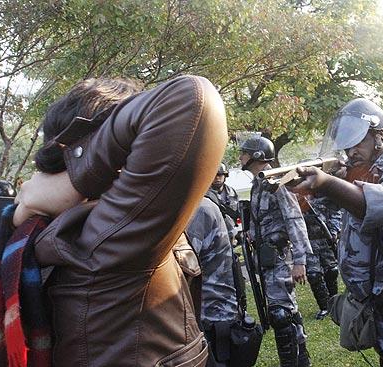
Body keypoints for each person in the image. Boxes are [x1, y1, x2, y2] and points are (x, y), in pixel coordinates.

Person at [13, 75, 228, 366]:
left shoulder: (57, 228)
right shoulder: (108, 236)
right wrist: (77, 179)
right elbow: (193, 99)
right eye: (129, 139)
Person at [289, 98, 383, 366]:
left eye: (357, 143)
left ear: (379, 136)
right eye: (346, 147)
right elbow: (320, 205)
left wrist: (326, 182)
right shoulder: (365, 171)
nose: (350, 152)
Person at [239, 136, 313, 367]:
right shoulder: (257, 185)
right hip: (267, 258)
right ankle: (301, 360)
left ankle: (291, 363)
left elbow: (295, 220)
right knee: (284, 311)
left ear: (257, 156)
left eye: (245, 152)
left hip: (281, 257)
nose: (240, 156)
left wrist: (300, 260)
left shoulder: (277, 183)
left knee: (281, 314)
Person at [185, 197, 239, 367]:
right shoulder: (200, 204)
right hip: (213, 310)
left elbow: (184, 265)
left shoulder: (197, 209)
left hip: (211, 313)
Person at [299, 193, 340, 320]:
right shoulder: (297, 197)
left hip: (325, 239)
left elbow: (336, 213)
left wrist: (333, 231)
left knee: (331, 271)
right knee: (314, 275)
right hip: (308, 242)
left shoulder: (324, 192)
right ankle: (324, 307)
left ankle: (334, 303)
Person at [208, 163, 239, 243]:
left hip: (232, 233)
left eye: (220, 175)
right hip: (214, 235)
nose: (217, 178)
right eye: (214, 175)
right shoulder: (205, 195)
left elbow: (237, 213)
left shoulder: (231, 192)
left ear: (225, 176)